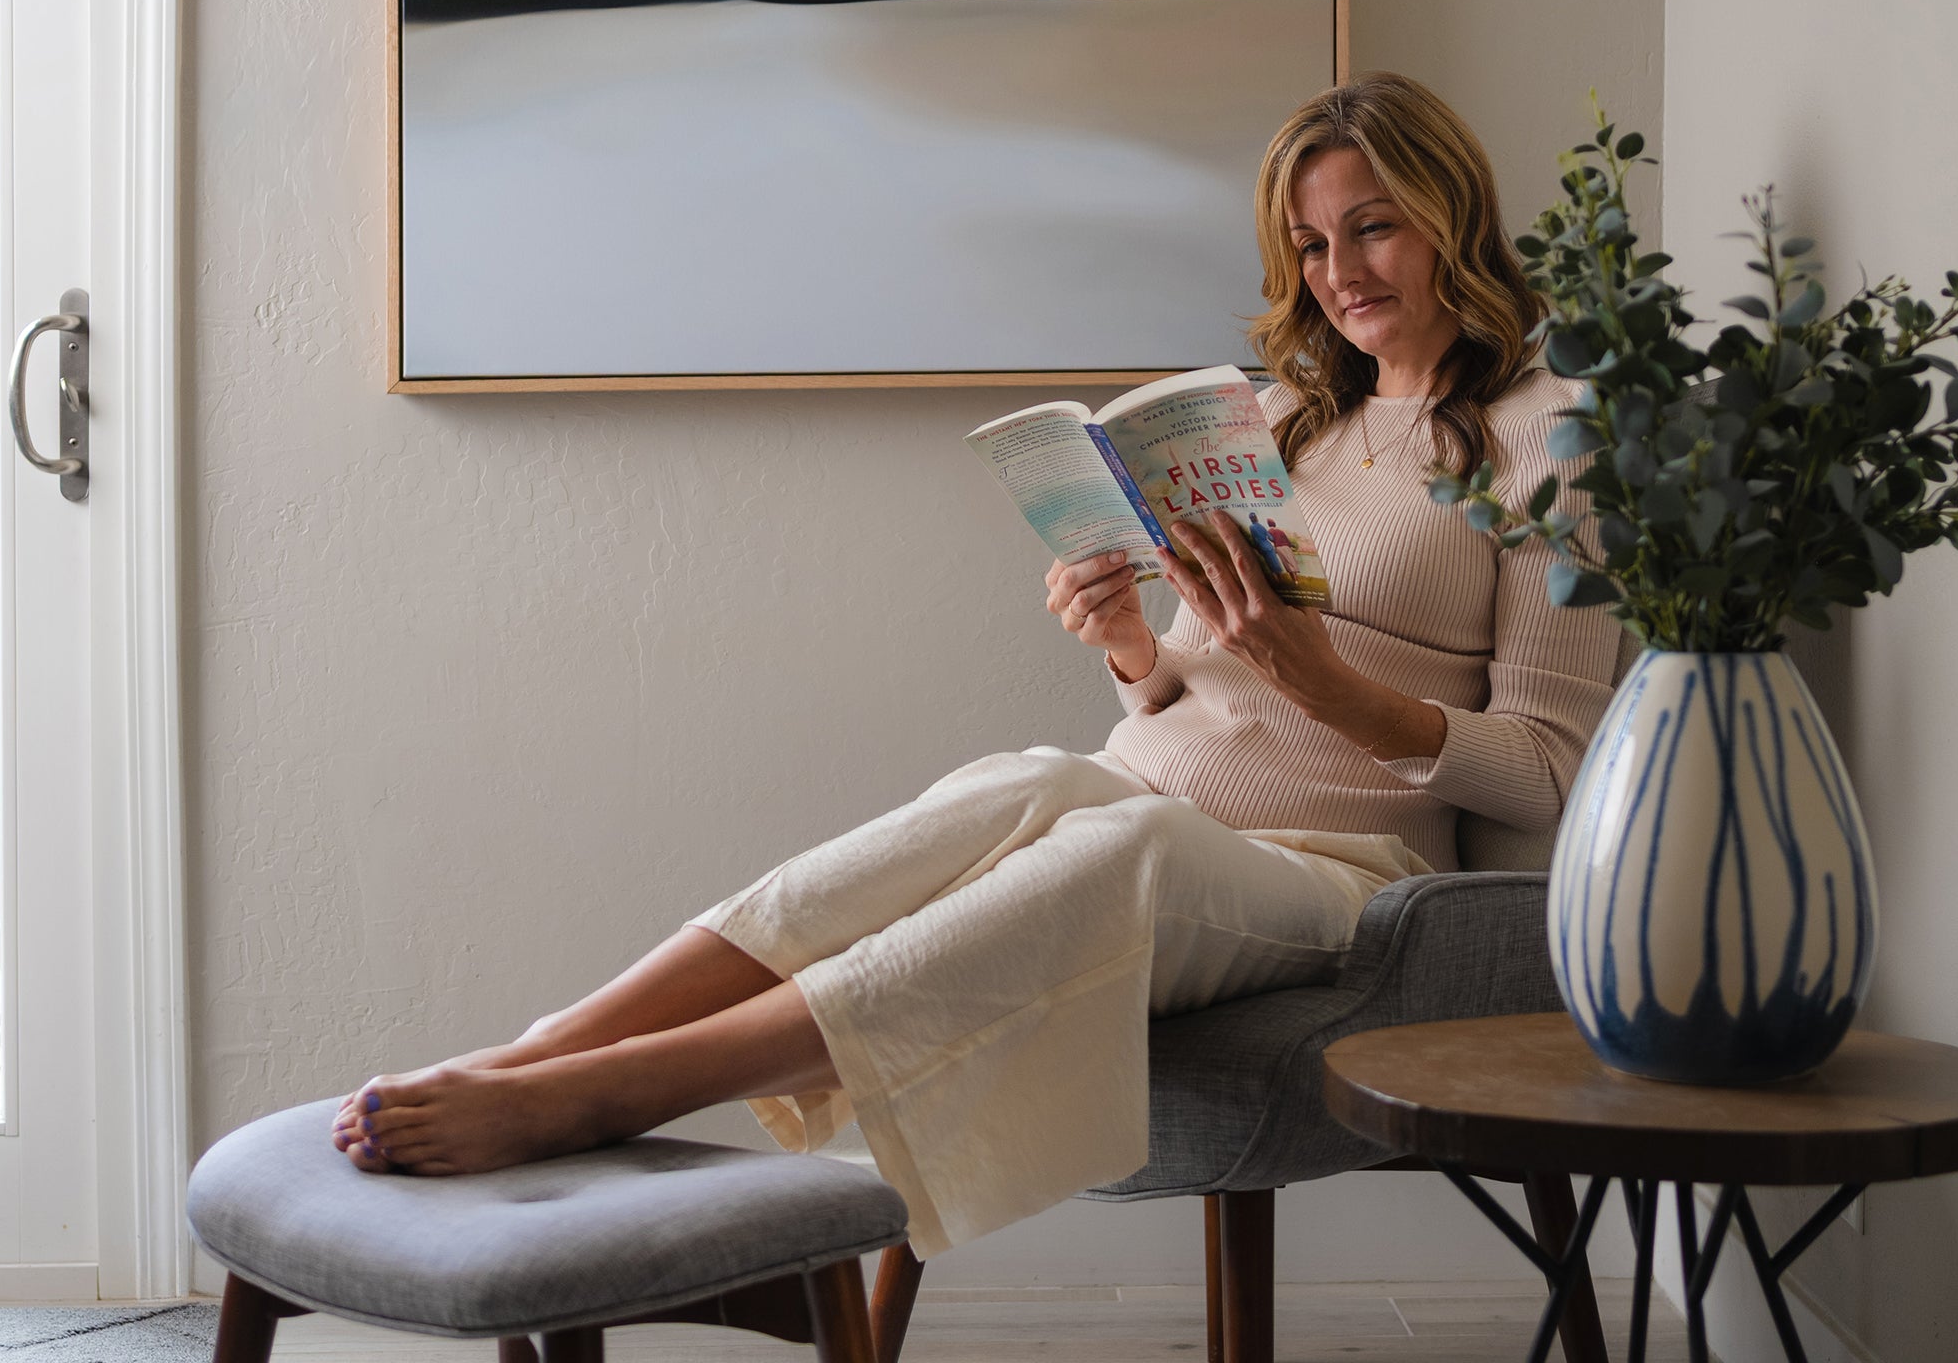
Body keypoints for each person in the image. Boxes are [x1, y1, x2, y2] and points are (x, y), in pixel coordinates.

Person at [328, 73, 1623, 1261]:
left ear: (1453, 213)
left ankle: (632, 1087)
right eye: (1308, 243)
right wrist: (1132, 649)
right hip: (1153, 787)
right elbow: (1193, 685)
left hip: (1343, 872)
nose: (1338, 269)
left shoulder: (1546, 436)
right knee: (1009, 783)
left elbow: (1554, 771)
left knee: (1128, 853)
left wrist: (1320, 680)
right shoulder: (1285, 415)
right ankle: (551, 1044)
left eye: (1373, 226)